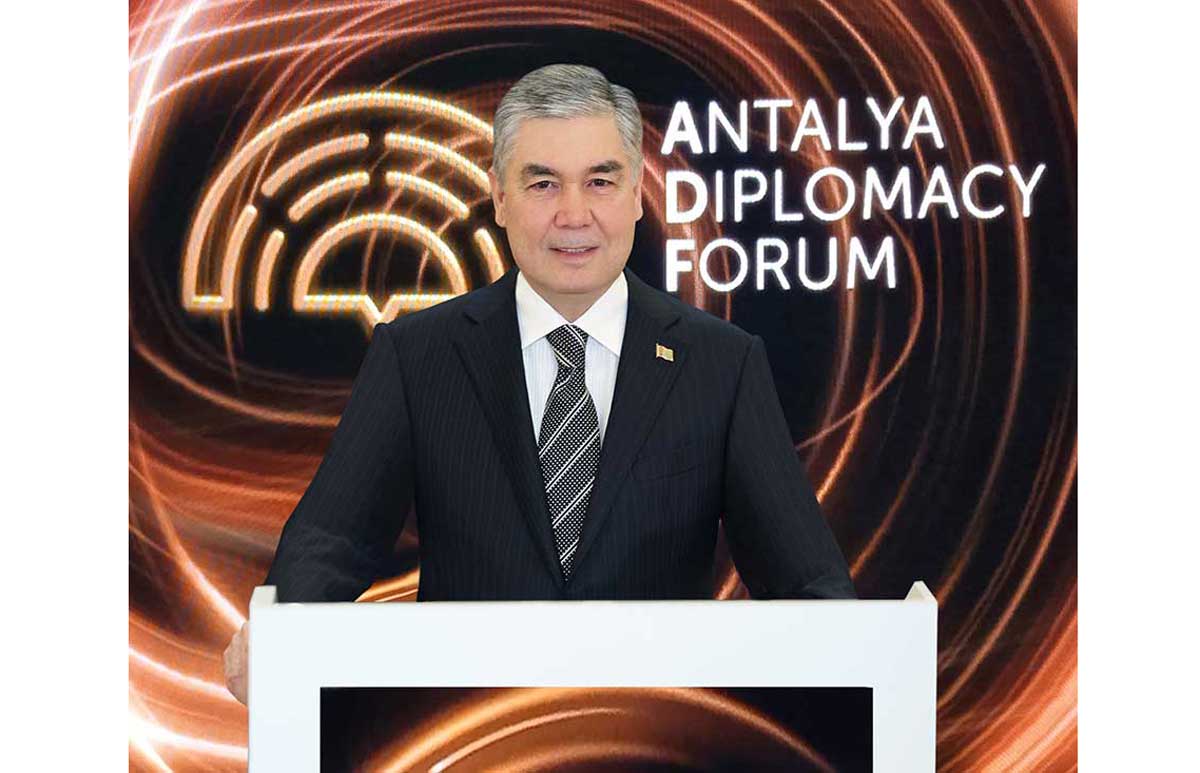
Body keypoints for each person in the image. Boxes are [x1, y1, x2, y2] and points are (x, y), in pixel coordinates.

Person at [223, 63, 855, 704]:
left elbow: (807, 583)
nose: (573, 215)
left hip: (660, 730)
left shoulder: (721, 363)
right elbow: (332, 540)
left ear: (637, 194)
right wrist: (280, 634)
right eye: (543, 183)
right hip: (462, 731)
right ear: (499, 197)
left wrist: (855, 674)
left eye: (600, 181)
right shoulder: (417, 356)